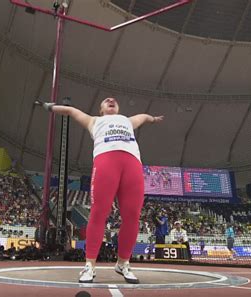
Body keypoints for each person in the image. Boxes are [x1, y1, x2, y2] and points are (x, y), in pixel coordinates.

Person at [36, 97, 163, 283]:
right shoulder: (93, 120)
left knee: (133, 215)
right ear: (101, 109)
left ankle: (123, 263)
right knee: (98, 213)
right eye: (106, 100)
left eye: (114, 100)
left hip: (133, 165)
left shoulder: (127, 121)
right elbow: (71, 111)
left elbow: (143, 117)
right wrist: (50, 107)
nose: (111, 100)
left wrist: (152, 119)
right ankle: (89, 266)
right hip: (106, 163)